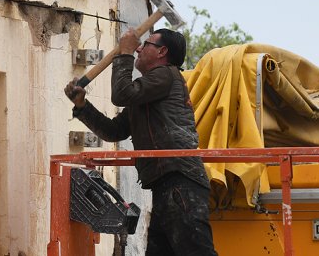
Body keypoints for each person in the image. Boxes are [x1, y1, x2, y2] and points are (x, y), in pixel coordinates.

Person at [65, 27, 217, 256]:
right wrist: (82, 106)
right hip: (166, 184)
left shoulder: (166, 74)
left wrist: (124, 53)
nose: (138, 48)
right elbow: (113, 131)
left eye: (146, 44)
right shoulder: (147, 92)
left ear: (162, 52)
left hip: (179, 180)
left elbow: (121, 94)